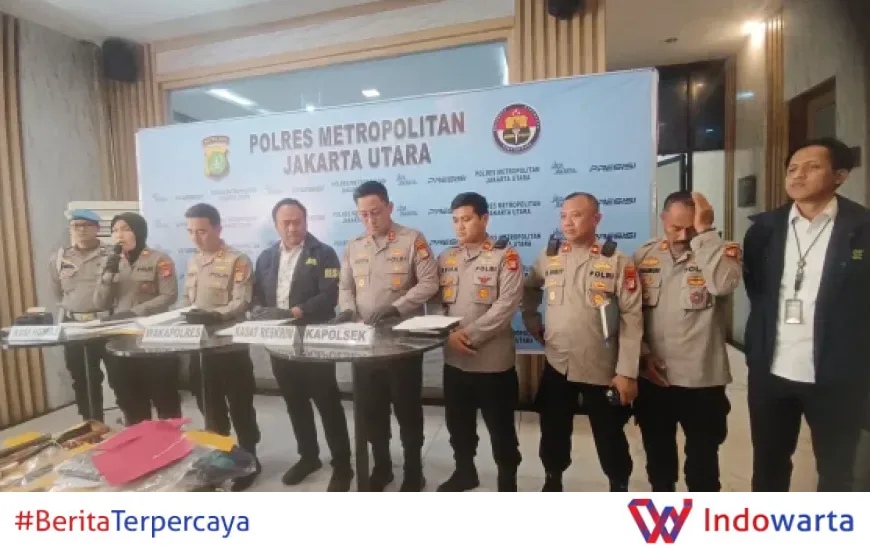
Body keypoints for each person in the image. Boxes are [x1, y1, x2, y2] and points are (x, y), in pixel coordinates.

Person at [743, 137, 870, 491]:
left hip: (836, 376)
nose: (798, 176)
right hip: (771, 371)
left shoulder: (862, 229)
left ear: (840, 176)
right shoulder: (764, 230)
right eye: (792, 169)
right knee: (768, 465)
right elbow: (757, 289)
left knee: (837, 470)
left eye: (812, 167)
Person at [522, 192, 643, 492]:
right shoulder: (549, 256)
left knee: (609, 433)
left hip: (600, 365)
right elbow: (530, 288)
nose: (568, 222)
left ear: (596, 219)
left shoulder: (616, 260)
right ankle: (553, 479)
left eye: (576, 215)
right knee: (553, 429)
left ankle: (618, 484)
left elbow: (632, 317)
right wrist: (532, 322)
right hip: (558, 363)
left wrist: (626, 372)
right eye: (564, 216)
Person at [632, 191, 741, 492]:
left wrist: (705, 235)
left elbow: (723, 285)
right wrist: (641, 353)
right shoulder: (644, 255)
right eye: (675, 227)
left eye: (690, 228)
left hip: (701, 379)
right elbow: (631, 313)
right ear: (663, 219)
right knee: (658, 459)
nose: (682, 236)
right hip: (655, 377)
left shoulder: (720, 252)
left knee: (703, 464)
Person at [335, 180, 438, 491]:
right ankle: (382, 467)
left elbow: (429, 282)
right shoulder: (354, 246)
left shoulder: (412, 239)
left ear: (390, 207)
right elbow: (345, 287)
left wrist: (396, 307)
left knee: (408, 412)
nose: (370, 220)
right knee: (372, 412)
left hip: (402, 344)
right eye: (363, 214)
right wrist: (348, 310)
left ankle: (413, 471)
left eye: (376, 212)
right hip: (365, 346)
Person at [252, 198, 353, 492]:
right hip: (279, 341)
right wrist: (258, 311)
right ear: (276, 225)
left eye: (298, 222)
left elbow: (331, 293)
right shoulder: (266, 257)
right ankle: (308, 457)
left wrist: (297, 311)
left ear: (306, 222)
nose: (292, 228)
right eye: (286, 223)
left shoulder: (324, 253)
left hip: (314, 339)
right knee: (295, 402)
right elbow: (257, 293)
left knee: (327, 402)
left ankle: (342, 465)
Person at [431, 192, 523, 492]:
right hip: (455, 362)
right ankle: (465, 472)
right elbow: (435, 304)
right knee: (459, 426)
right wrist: (448, 335)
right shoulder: (445, 258)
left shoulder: (505, 256)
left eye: (467, 219)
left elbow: (506, 306)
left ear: (484, 219)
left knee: (501, 430)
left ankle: (507, 482)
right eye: (455, 220)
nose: (460, 226)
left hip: (492, 364)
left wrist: (467, 336)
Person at [179, 203, 261, 491]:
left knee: (240, 406)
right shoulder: (193, 261)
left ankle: (250, 460)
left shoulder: (238, 260)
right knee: (209, 406)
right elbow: (187, 300)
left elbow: (241, 301)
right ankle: (222, 457)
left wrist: (214, 315)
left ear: (218, 229)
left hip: (230, 348)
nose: (196, 237)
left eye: (201, 231)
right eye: (190, 231)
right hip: (200, 348)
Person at [94, 213, 181, 426]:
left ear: (139, 231)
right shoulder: (109, 262)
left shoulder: (159, 259)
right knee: (129, 398)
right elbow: (100, 303)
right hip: (121, 338)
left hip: (154, 337)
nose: (119, 235)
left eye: (125, 229)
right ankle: (138, 437)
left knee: (164, 397)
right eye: (115, 230)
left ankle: (170, 441)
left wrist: (136, 312)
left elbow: (169, 295)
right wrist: (107, 276)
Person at [49, 209, 113, 422]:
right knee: (82, 377)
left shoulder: (111, 254)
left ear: (97, 228)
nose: (80, 229)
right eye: (76, 225)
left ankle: (131, 422)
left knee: (119, 375)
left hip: (106, 322)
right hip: (73, 324)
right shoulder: (60, 257)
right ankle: (91, 423)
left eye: (86, 225)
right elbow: (57, 291)